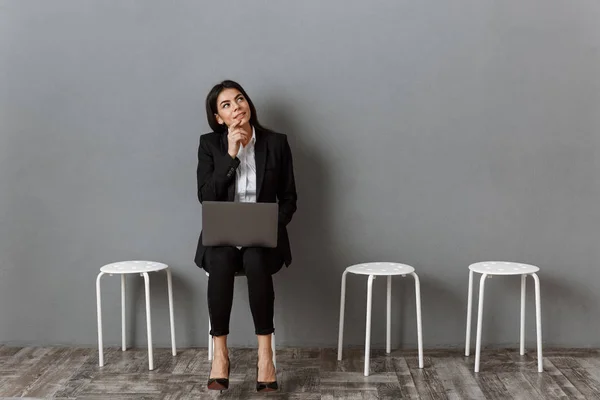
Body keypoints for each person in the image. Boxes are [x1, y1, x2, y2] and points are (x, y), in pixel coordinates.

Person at [194, 80, 297, 392]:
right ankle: (220, 356)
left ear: (248, 103)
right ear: (218, 118)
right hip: (222, 237)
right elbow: (205, 196)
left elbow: (290, 198)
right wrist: (231, 154)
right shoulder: (210, 145)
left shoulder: (276, 143)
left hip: (263, 239)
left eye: (239, 99)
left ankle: (265, 358)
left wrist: (270, 225)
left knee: (254, 258)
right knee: (222, 260)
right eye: (226, 105)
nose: (236, 106)